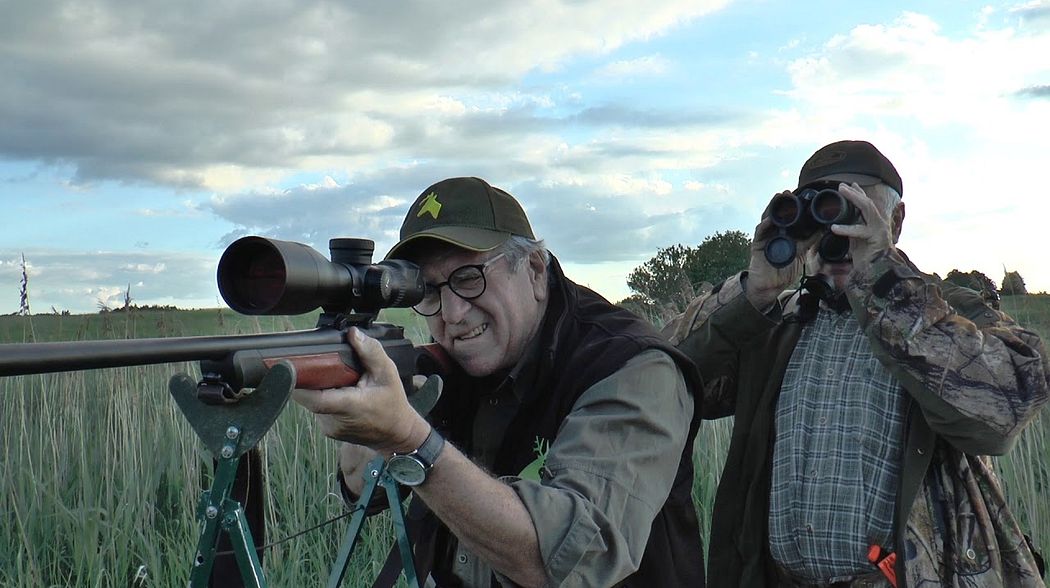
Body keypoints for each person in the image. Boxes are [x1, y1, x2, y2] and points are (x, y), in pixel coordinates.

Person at [663, 140, 1049, 587]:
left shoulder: (949, 312)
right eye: (824, 210)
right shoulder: (776, 323)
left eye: (854, 208)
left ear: (896, 221)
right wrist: (754, 293)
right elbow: (665, 381)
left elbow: (1001, 412)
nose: (838, 234)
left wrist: (882, 284)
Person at [294, 177, 705, 587]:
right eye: (429, 291)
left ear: (534, 270)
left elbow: (559, 560)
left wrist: (408, 440)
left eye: (470, 278)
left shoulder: (635, 370)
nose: (452, 314)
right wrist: (364, 422)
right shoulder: (447, 367)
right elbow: (363, 486)